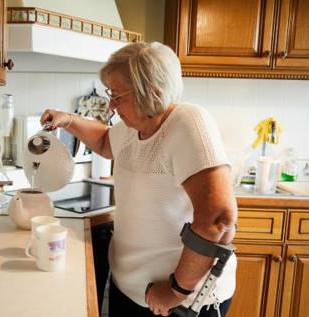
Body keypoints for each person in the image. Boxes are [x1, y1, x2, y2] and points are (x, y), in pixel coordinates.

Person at [40, 42, 237, 317]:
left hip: (178, 304)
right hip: (130, 292)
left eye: (118, 96)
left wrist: (175, 291)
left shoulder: (187, 122)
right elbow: (105, 140)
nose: (111, 104)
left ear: (151, 92)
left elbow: (218, 219)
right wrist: (69, 120)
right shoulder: (133, 129)